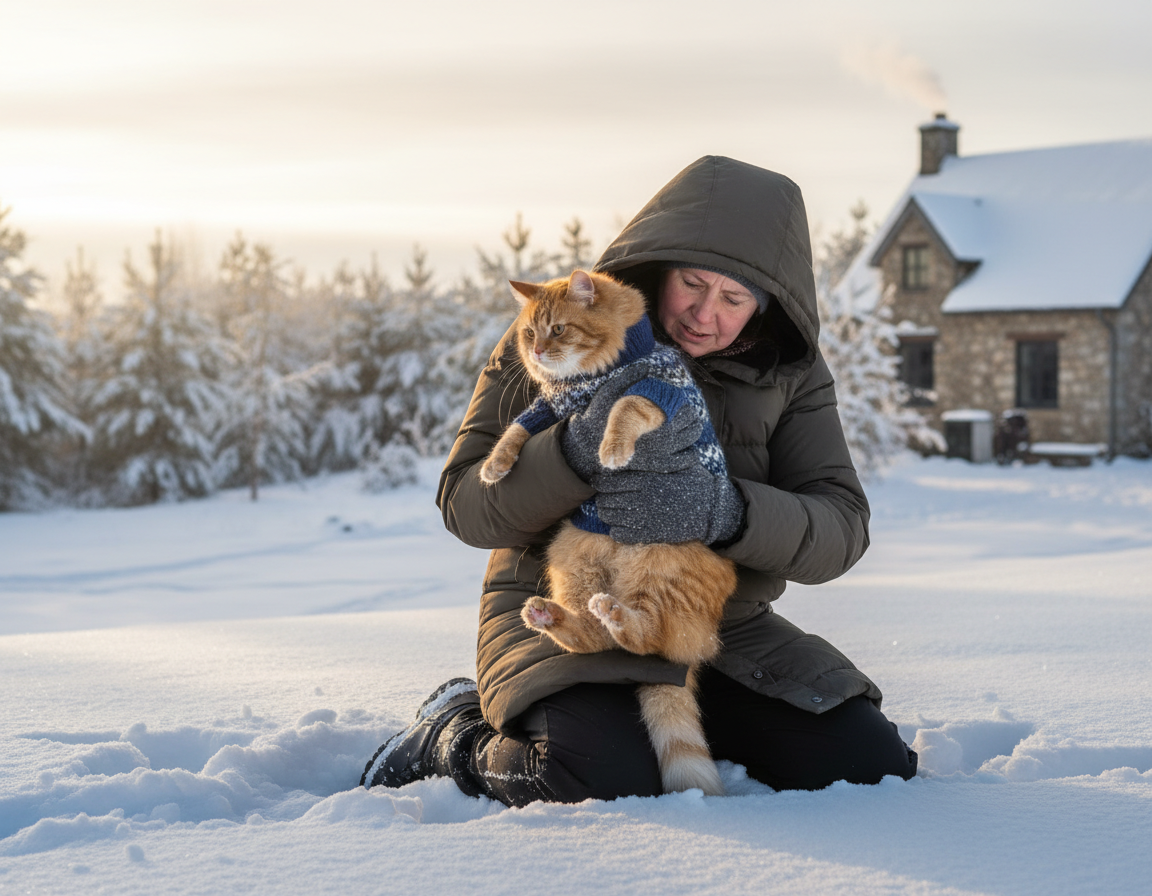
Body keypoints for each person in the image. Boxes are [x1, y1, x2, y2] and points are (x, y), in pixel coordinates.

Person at [360, 155, 917, 804]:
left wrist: (727, 513)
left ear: (767, 307)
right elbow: (466, 506)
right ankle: (449, 734)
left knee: (868, 765)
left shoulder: (791, 373)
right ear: (660, 266)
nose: (705, 313)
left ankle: (715, 727)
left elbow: (841, 527)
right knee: (593, 775)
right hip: (564, 604)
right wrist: (574, 453)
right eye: (692, 284)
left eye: (733, 299)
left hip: (710, 621)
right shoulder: (555, 332)